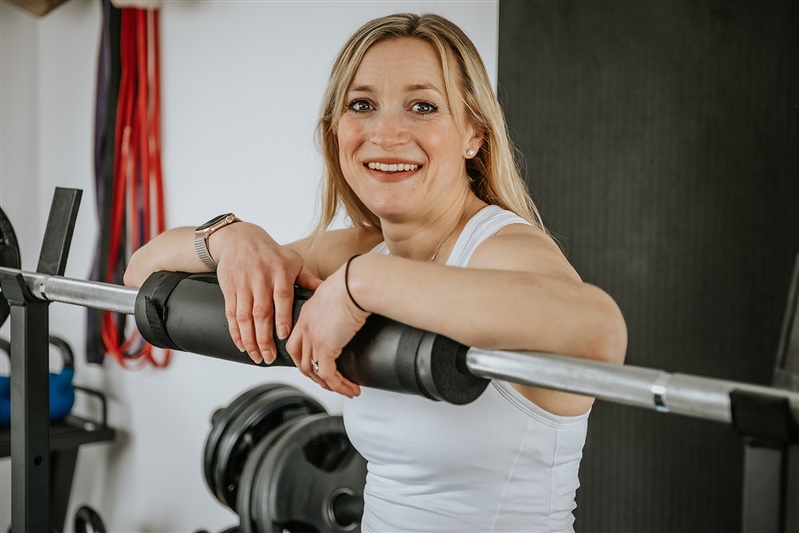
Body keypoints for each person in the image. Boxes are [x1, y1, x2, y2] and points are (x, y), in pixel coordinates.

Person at [124, 12, 627, 532]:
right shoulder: (363, 248)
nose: (386, 133)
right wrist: (230, 237)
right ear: (336, 131)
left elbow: (601, 332)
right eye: (362, 105)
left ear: (474, 134)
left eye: (423, 106)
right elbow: (141, 274)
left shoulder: (499, 248)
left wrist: (360, 284)